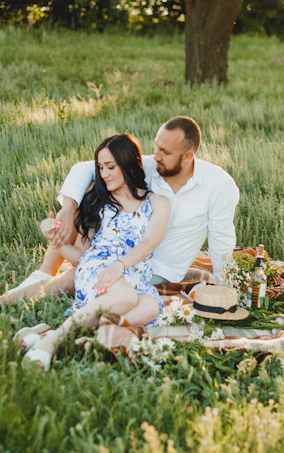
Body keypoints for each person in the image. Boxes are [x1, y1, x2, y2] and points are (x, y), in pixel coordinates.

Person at [0, 116, 239, 306]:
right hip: (114, 251)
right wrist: (68, 206)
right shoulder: (153, 164)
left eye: (165, 152)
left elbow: (221, 242)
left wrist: (229, 291)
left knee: (71, 280)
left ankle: (16, 300)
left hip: (156, 267)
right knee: (94, 185)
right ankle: (43, 273)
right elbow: (85, 168)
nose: (156, 156)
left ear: (188, 156)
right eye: (156, 148)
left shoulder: (219, 185)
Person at [21, 133, 170, 370]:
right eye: (101, 167)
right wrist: (57, 241)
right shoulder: (100, 202)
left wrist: (119, 265)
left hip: (130, 274)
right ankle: (52, 341)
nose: (104, 174)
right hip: (98, 270)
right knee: (127, 298)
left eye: (111, 167)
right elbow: (84, 258)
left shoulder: (158, 203)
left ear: (129, 164)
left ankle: (44, 334)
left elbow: (149, 243)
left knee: (151, 306)